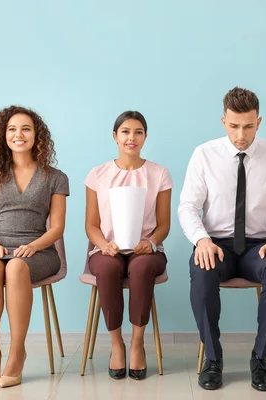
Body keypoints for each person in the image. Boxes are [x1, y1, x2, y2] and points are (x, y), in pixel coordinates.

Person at [178, 87, 266, 391]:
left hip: (260, 245)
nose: (241, 134)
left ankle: (260, 357)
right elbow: (188, 207)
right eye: (233, 126)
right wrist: (201, 239)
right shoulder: (204, 155)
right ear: (223, 122)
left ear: (259, 122)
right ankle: (213, 359)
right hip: (216, 244)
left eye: (248, 126)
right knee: (201, 272)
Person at [0, 106, 69, 389]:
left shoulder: (55, 177)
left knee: (16, 267)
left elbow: (57, 228)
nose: (19, 135)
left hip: (39, 251)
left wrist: (33, 246)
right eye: (12, 129)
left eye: (26, 129)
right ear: (3, 136)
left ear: (36, 135)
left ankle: (17, 352)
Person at [84, 111, 172, 380]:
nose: (131, 137)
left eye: (138, 132)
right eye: (125, 131)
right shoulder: (98, 175)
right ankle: (116, 344)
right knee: (108, 270)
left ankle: (137, 343)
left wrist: (151, 242)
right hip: (106, 249)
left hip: (146, 250)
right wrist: (103, 244)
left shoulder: (159, 174)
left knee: (143, 267)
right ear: (115, 136)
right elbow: (91, 224)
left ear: (145, 137)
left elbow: (164, 225)